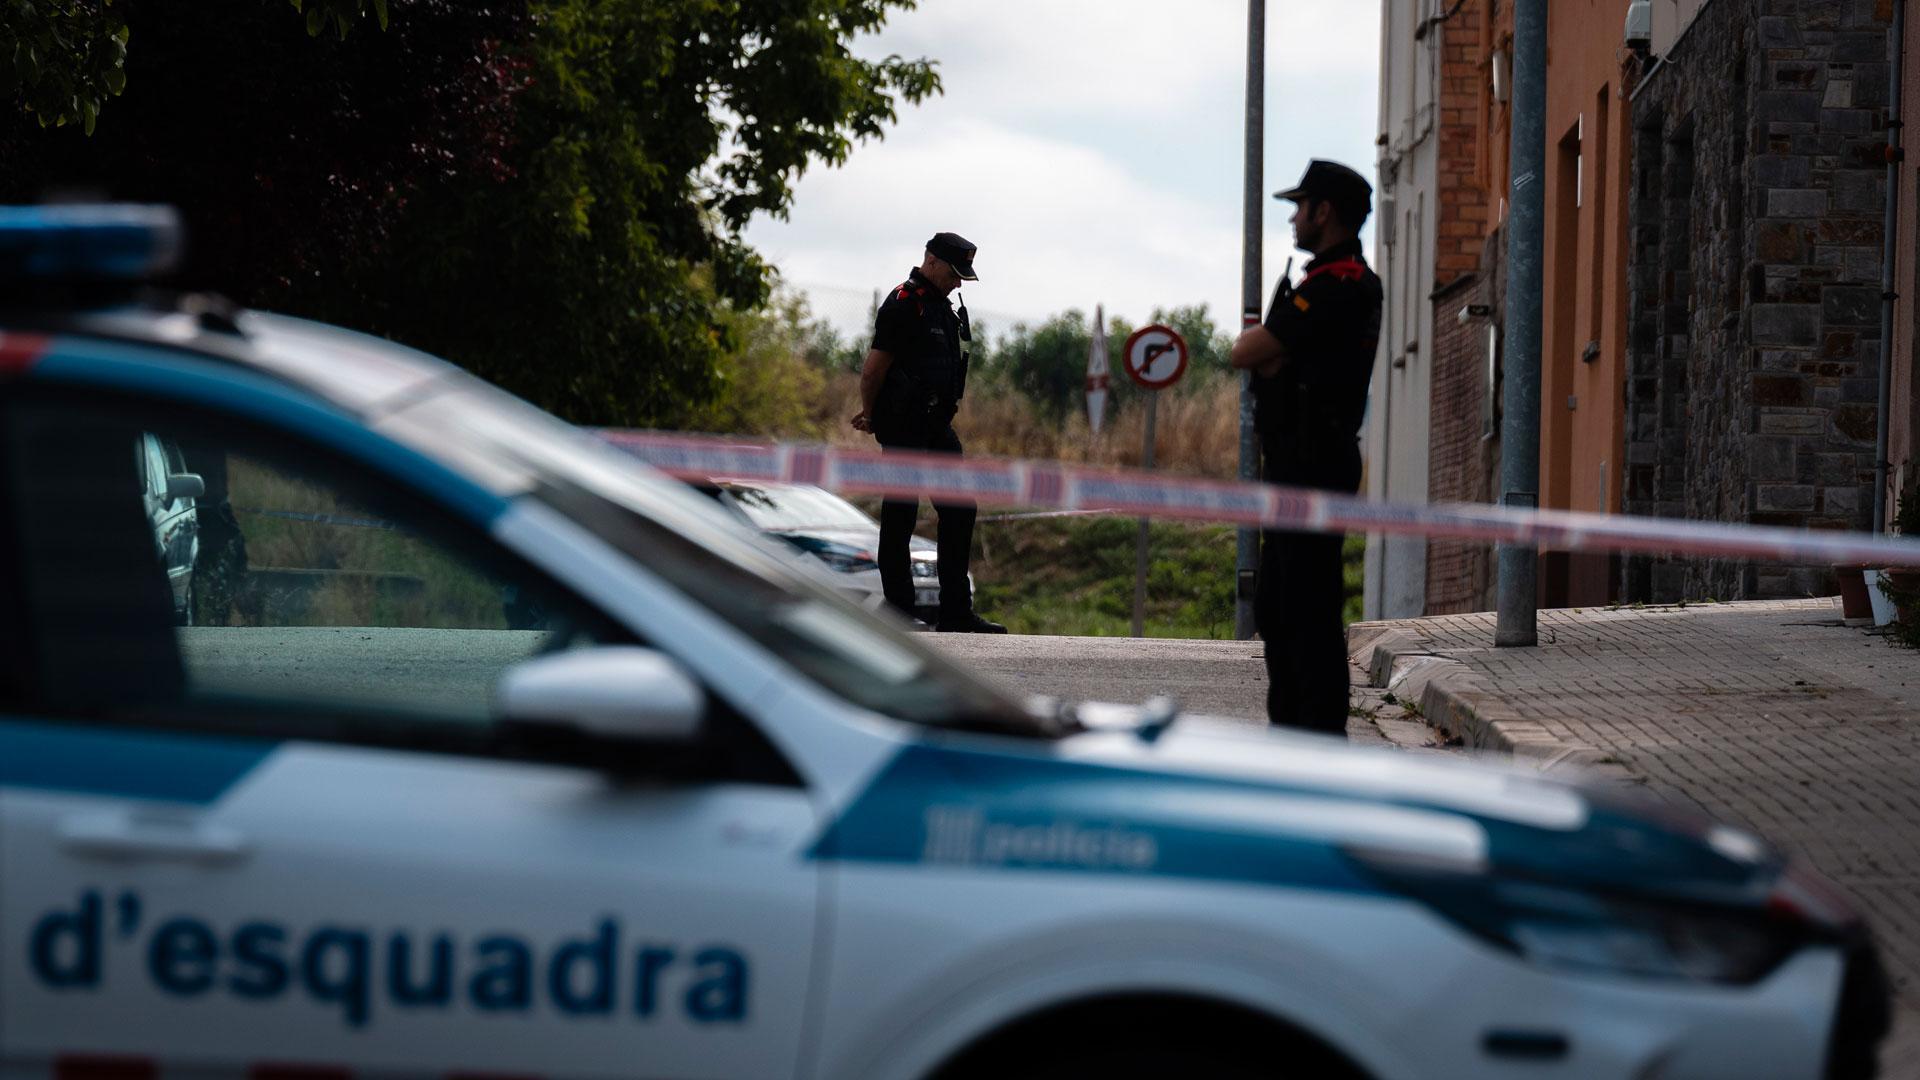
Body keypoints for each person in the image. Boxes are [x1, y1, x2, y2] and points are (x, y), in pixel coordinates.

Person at [1229, 160, 1383, 735]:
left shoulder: (1338, 284)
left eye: (1301, 207)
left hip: (1314, 460)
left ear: (1325, 212)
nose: (1294, 218)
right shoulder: (1330, 281)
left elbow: (1247, 351)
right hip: (1297, 459)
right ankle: (1292, 733)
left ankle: (1316, 738)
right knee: (1279, 605)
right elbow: (1264, 354)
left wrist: (1275, 353)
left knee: (1307, 611)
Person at [849, 232, 1006, 633]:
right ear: (931, 262)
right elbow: (872, 372)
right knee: (901, 516)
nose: (957, 283)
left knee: (960, 509)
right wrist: (872, 415)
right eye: (953, 274)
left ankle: (956, 613)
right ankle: (899, 613)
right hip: (904, 427)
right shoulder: (904, 303)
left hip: (936, 426)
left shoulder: (940, 307)